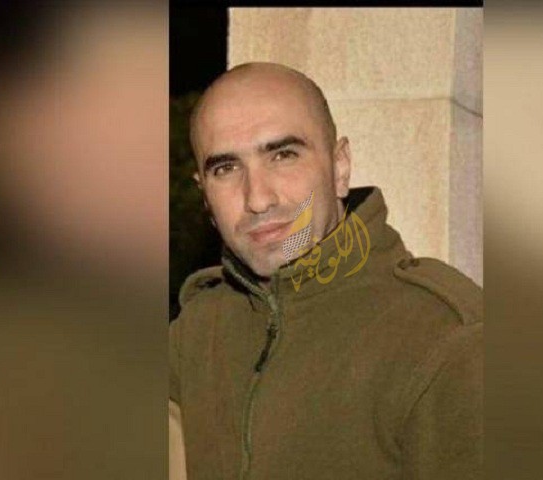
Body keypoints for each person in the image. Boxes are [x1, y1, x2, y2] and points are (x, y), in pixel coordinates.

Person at [170, 62, 482, 480]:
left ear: (340, 168)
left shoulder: (444, 337)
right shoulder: (196, 330)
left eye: (283, 155)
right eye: (225, 168)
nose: (257, 198)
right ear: (204, 195)